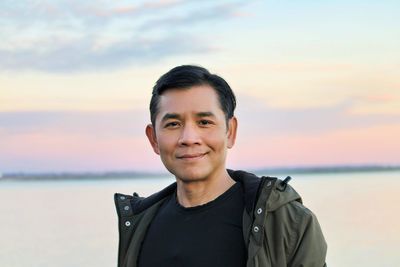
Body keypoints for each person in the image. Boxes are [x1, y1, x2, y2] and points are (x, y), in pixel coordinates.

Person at [114, 65, 327, 267]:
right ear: (153, 139)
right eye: (173, 124)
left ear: (230, 131)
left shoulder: (285, 221)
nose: (189, 138)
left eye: (204, 122)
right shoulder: (139, 226)